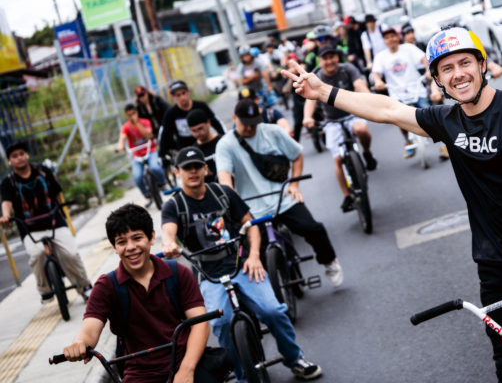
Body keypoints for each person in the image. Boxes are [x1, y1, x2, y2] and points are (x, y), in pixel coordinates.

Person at [281, 26, 502, 382]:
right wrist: (323, 91)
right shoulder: (445, 121)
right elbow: (387, 108)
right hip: (498, 268)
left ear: (482, 65)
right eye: (446, 68)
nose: (458, 73)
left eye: (465, 62)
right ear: (437, 79)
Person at [161, 147, 322, 380]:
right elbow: (168, 231)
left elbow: (251, 225)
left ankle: (294, 358)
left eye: (197, 166)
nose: (193, 172)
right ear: (177, 172)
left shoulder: (223, 193)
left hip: (242, 264)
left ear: (206, 169)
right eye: (187, 168)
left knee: (273, 311)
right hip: (208, 275)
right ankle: (240, 375)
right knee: (222, 324)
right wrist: (168, 244)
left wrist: (255, 255)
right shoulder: (174, 206)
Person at [62, 203, 230, 382]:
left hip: (187, 361)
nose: (131, 247)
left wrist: (186, 371)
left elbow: (200, 323)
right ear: (114, 247)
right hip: (140, 374)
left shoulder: (177, 273)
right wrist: (79, 343)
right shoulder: (106, 286)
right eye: (121, 242)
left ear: (151, 237)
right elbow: (89, 330)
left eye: (137, 238)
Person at [215, 99, 344, 287]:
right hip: (252, 207)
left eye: (254, 124)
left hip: (283, 198)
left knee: (313, 228)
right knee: (254, 251)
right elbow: (224, 178)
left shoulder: (272, 132)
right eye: (245, 124)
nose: (250, 129)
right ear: (234, 118)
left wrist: (295, 184)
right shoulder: (225, 145)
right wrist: (234, 203)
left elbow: (296, 155)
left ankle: (330, 261)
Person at [0, 141, 92, 303]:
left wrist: (64, 211)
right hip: (29, 228)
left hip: (54, 222)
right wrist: (6, 215)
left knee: (70, 254)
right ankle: (45, 290)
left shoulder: (43, 172)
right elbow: (7, 202)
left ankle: (84, 286)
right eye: (14, 156)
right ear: (9, 161)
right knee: (36, 254)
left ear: (27, 155)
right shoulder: (8, 182)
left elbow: (57, 193)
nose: (19, 158)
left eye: (22, 153)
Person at [302, 44, 378, 212]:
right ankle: (347, 196)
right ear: (320, 61)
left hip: (353, 114)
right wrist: (307, 117)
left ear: (337, 58)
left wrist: (369, 99)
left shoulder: (347, 69)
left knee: (362, 130)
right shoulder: (317, 77)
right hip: (331, 121)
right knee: (337, 159)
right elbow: (310, 101)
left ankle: (366, 153)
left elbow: (360, 85)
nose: (329, 61)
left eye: (332, 57)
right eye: (325, 58)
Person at [370, 24, 440, 159]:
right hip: (397, 94)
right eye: (387, 37)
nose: (391, 39)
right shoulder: (380, 56)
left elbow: (424, 60)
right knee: (399, 120)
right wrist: (378, 81)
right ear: (384, 41)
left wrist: (428, 70)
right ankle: (407, 141)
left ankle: (443, 145)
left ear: (398, 37)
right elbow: (376, 74)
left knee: (429, 118)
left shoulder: (408, 48)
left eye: (393, 36)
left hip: (416, 89)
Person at [157, 80, 226, 162]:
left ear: (188, 92)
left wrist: (225, 138)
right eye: (178, 95)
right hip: (185, 149)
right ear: (173, 97)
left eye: (183, 93)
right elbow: (165, 133)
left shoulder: (201, 106)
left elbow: (216, 122)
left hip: (206, 144)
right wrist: (162, 154)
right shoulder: (171, 113)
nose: (182, 97)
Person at [117, 104, 167, 207]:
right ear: (126, 115)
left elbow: (148, 135)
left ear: (137, 112)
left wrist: (137, 124)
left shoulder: (145, 122)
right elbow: (122, 137)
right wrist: (120, 145)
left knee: (155, 167)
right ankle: (147, 195)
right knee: (137, 176)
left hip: (150, 150)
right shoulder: (126, 127)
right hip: (136, 155)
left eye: (134, 113)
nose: (132, 116)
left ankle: (163, 184)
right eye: (129, 115)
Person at [187, 109, 221, 183]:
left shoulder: (222, 142)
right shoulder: (193, 152)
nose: (198, 134)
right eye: (194, 131)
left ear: (208, 123)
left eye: (200, 128)